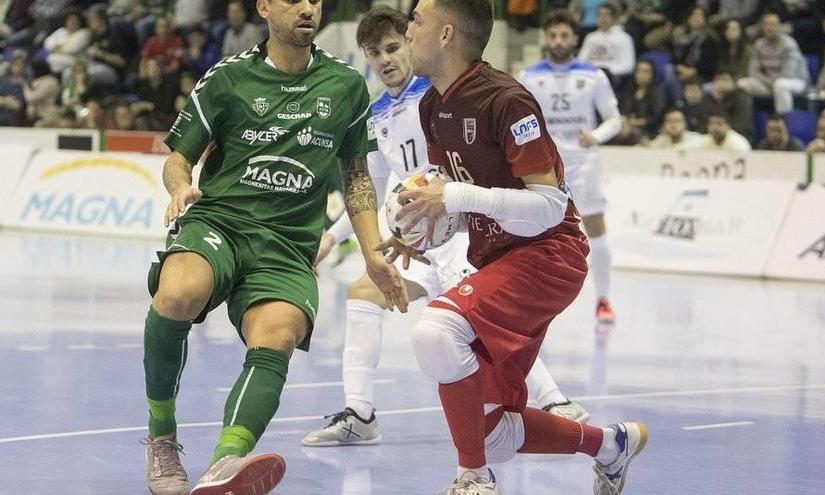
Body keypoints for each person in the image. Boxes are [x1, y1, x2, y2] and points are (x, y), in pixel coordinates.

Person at [140, 0, 408, 493]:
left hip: (288, 242)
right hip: (222, 220)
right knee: (178, 293)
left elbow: (356, 178)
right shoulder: (226, 78)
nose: (307, 8)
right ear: (264, 7)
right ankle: (161, 436)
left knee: (279, 334)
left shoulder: (346, 86)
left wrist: (372, 252)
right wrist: (180, 185)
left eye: (315, 0)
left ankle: (226, 463)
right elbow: (178, 157)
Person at [302, 5, 589, 449]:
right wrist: (338, 237)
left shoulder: (442, 89)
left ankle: (552, 401)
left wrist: (450, 205)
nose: (385, 59)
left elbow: (523, 195)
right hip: (425, 233)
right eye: (374, 53)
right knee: (363, 294)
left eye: (394, 45)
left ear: (432, 38)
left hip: (463, 232)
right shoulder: (378, 114)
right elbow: (376, 188)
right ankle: (360, 414)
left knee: (470, 319)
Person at [395, 1, 648, 493]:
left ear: (446, 34)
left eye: (417, 20)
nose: (408, 28)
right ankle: (610, 445)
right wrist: (414, 222)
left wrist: (453, 195)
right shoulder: (432, 105)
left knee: (437, 331)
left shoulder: (506, 100)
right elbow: (449, 181)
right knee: (489, 432)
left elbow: (550, 207)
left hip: (549, 254)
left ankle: (473, 479)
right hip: (499, 257)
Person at [519, 9, 620, 324]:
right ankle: (532, 303)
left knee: (595, 227)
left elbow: (616, 119)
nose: (559, 41)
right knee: (534, 233)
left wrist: (597, 135)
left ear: (575, 38)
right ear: (546, 39)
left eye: (565, 35)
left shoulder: (594, 76)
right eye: (553, 35)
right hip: (545, 165)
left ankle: (603, 300)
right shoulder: (529, 76)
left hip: (584, 162)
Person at [736, 12, 809, 114]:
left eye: (773, 24)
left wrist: (770, 83)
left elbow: (787, 74)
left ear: (779, 27)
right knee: (742, 84)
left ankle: (783, 121)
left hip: (795, 82)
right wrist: (769, 83)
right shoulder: (759, 44)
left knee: (780, 85)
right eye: (766, 24)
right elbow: (753, 71)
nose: (769, 28)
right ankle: (745, 125)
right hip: (768, 83)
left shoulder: (789, 45)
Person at [577, 2, 635, 93]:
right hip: (590, 76)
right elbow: (581, 60)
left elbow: (628, 65)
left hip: (611, 77)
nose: (602, 19)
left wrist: (607, 70)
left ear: (614, 18)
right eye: (599, 15)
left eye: (606, 15)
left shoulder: (624, 38)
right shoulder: (591, 37)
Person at [620, 60, 667, 138]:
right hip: (628, 127)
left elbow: (657, 116)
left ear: (652, 75)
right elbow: (623, 111)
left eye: (645, 72)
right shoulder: (629, 91)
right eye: (638, 71)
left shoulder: (658, 92)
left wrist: (637, 122)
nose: (641, 75)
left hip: (650, 131)